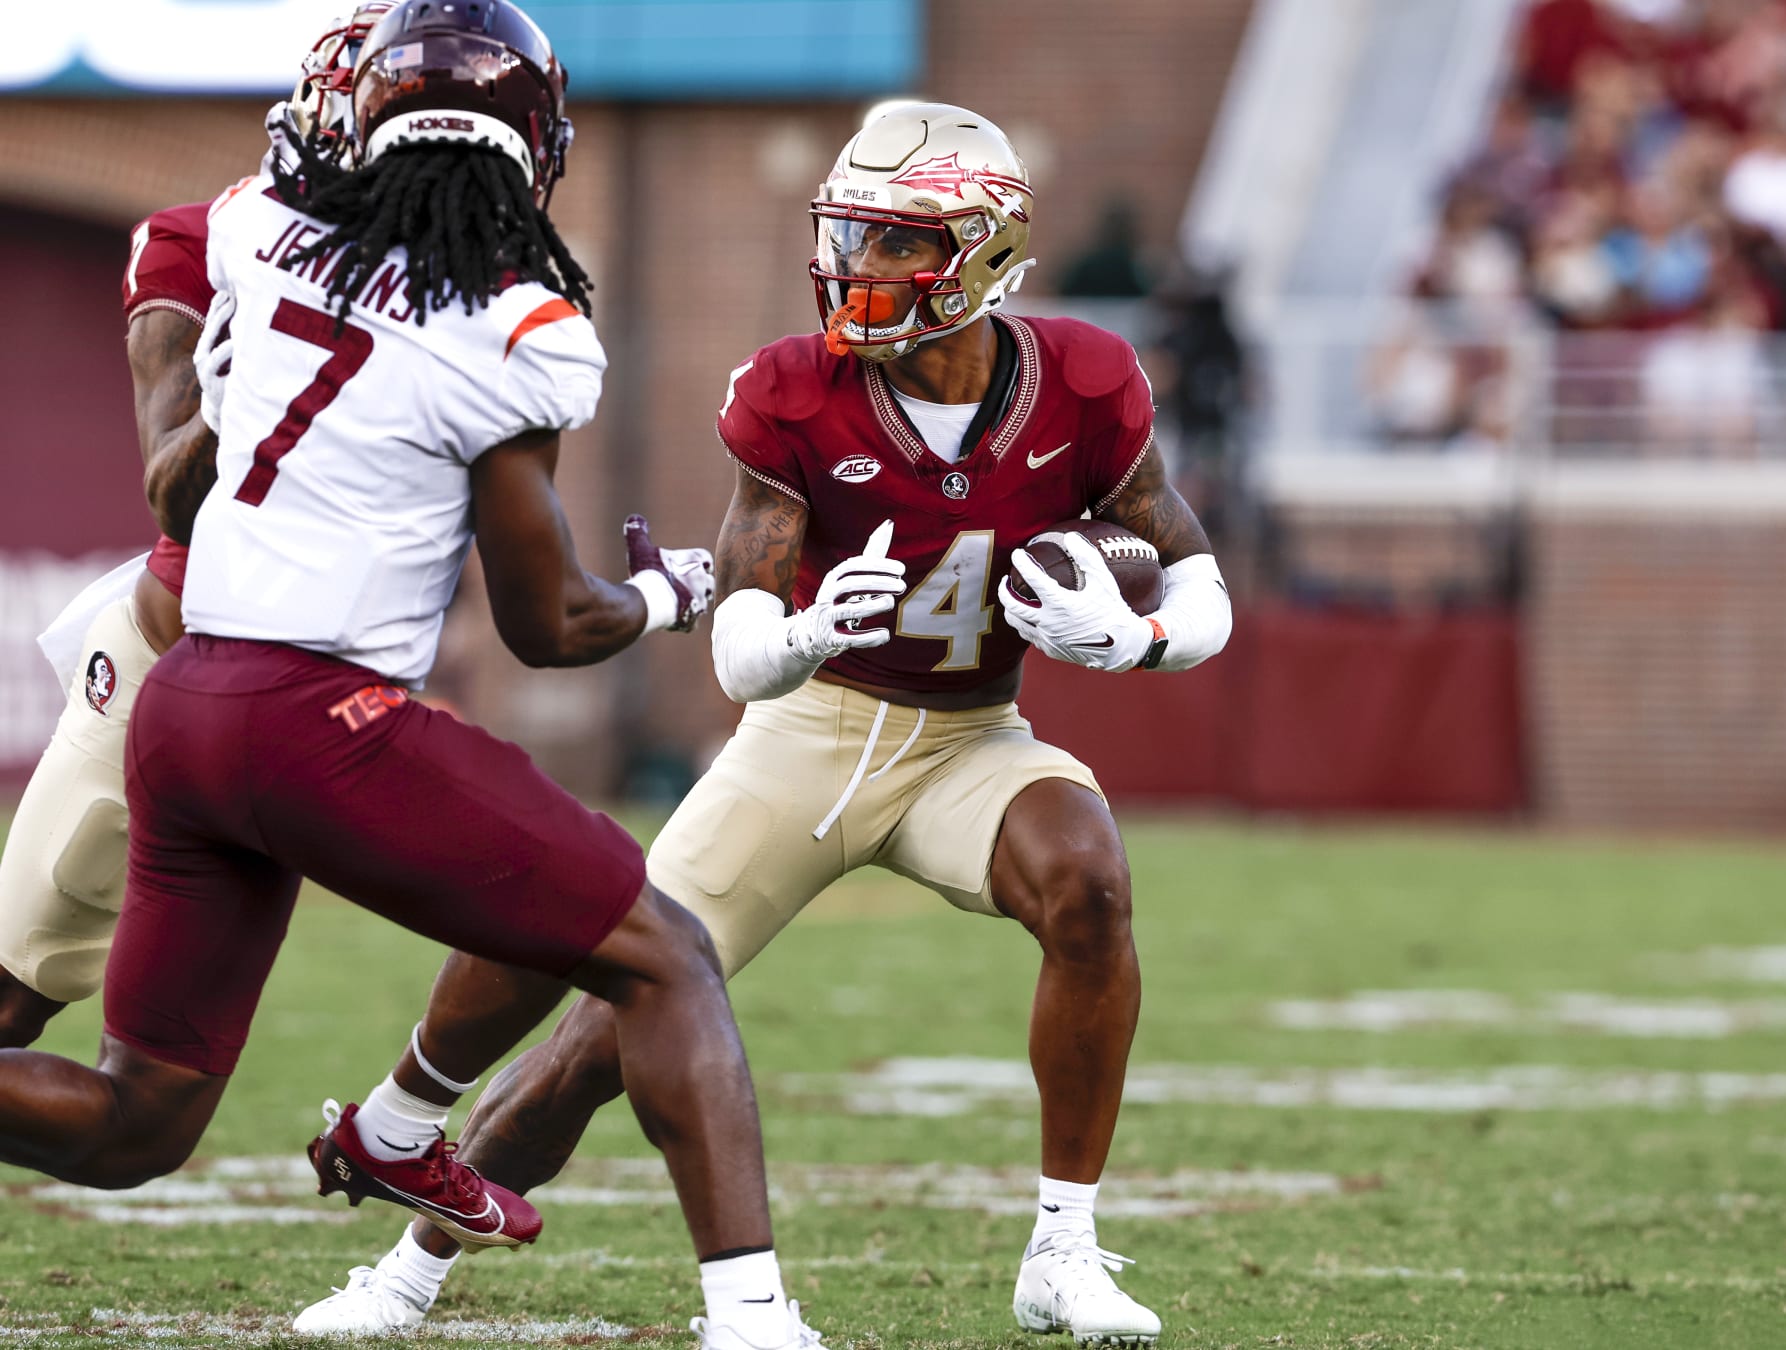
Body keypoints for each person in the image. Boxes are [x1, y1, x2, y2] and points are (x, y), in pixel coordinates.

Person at [299, 101, 1230, 1347]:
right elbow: (740, 646)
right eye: (850, 233)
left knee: (1090, 883)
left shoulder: (1085, 379)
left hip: (970, 742)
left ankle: (1062, 1252)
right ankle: (404, 1277)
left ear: (987, 250)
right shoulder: (797, 390)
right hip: (809, 738)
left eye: (896, 241)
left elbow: (1198, 575)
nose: (858, 265)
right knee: (597, 1041)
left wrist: (1139, 638)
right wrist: (804, 632)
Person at [0, 4, 828, 1347]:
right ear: (535, 149)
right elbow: (548, 623)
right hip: (319, 718)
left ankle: (393, 1130)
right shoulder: (516, 326)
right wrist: (677, 592)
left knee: (134, 1124)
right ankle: (752, 1319)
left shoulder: (261, 232)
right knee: (665, 956)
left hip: (189, 703)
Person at [0, 3, 396, 1051]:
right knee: (18, 989)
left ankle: (405, 1120)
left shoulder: (462, 290)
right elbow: (173, 491)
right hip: (178, 655)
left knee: (573, 910)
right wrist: (241, 392)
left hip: (332, 688)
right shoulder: (203, 245)